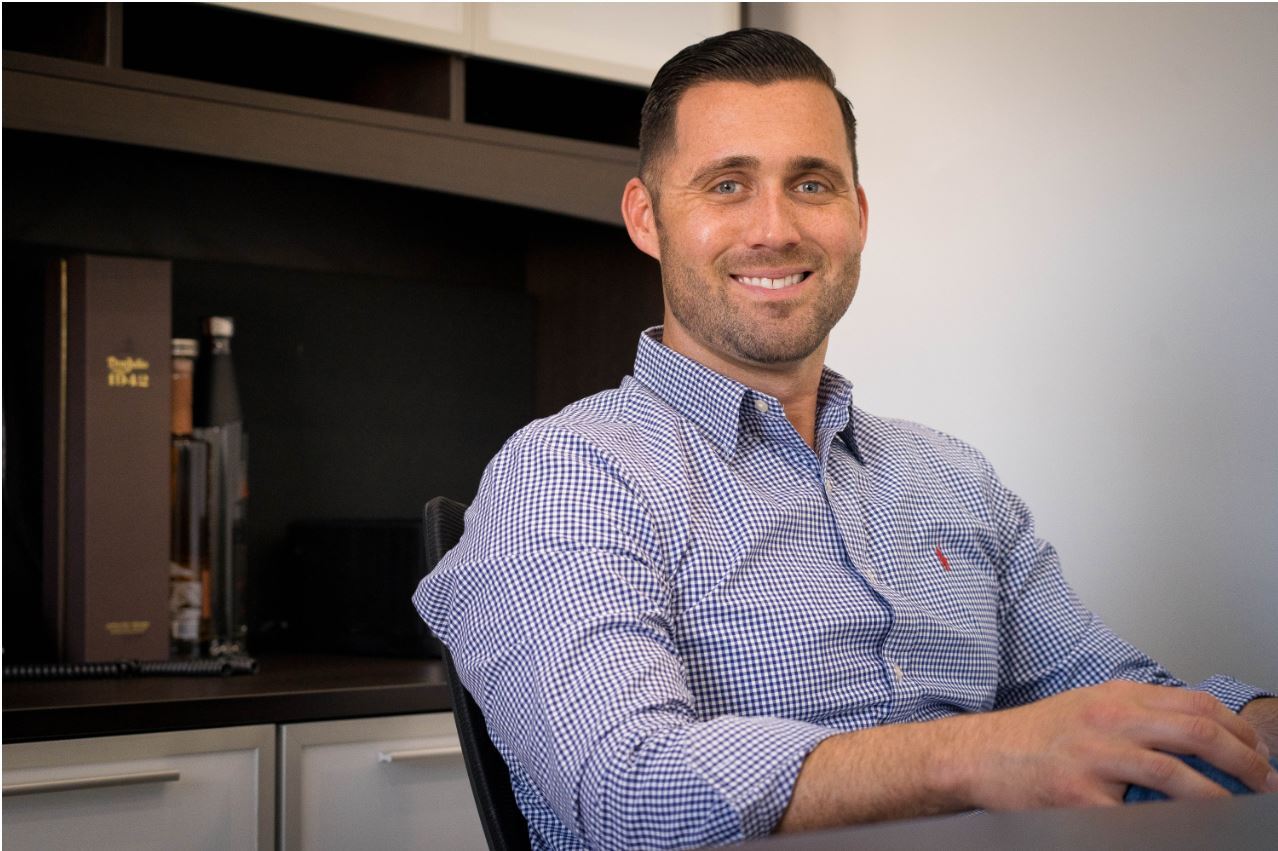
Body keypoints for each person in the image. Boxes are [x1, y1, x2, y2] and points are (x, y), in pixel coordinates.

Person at [415, 28, 1277, 850]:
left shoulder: (954, 479)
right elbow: (630, 791)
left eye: (812, 183)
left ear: (857, 215)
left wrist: (1254, 721)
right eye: (726, 184)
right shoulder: (570, 473)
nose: (775, 228)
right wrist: (988, 754)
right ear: (646, 217)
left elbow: (1114, 702)